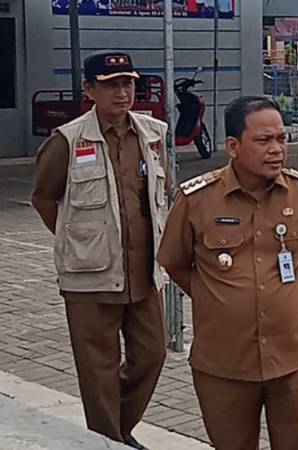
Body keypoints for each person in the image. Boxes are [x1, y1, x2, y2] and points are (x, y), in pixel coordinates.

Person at [157, 96, 298, 450]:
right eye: (263, 140)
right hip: (225, 363)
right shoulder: (196, 199)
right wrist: (219, 297)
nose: (276, 149)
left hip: (296, 358)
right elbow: (175, 263)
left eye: (281, 139)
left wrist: (279, 297)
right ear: (233, 146)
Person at [31, 51, 168, 450]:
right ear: (89, 90)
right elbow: (43, 198)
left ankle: (117, 430)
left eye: (128, 84)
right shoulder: (68, 140)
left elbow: (160, 195)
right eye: (111, 85)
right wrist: (81, 241)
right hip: (90, 277)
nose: (122, 93)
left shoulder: (152, 134)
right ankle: (111, 440)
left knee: (152, 355)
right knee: (98, 369)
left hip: (143, 273)